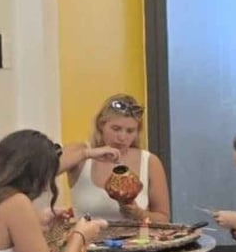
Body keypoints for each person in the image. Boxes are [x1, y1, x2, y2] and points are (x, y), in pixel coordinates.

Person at [63, 94, 171, 225]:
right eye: (116, 129)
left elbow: (163, 219)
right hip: (87, 243)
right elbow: (44, 168)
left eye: (130, 131)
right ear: (101, 125)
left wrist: (139, 214)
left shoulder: (149, 161)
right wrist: (87, 153)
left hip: (137, 244)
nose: (122, 137)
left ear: (137, 132)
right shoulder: (81, 153)